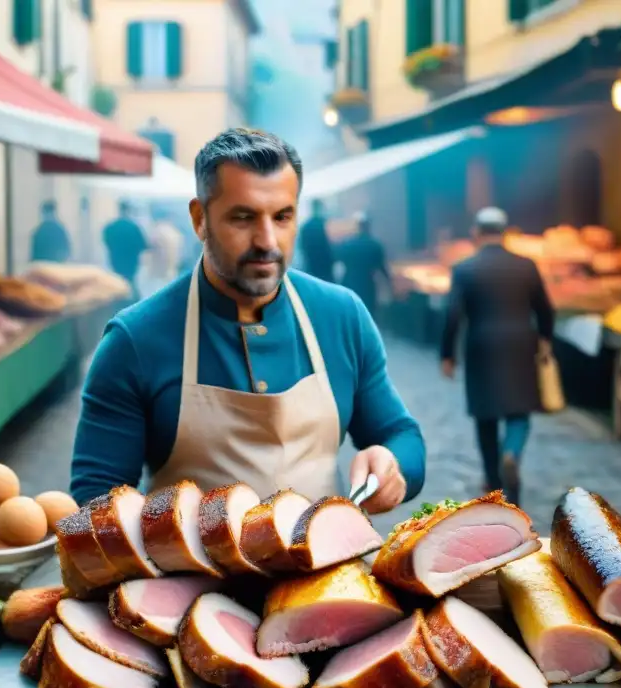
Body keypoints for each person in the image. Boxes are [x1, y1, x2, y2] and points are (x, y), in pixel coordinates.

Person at [71, 128, 425, 514]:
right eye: (243, 218)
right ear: (200, 218)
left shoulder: (341, 315)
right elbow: (96, 498)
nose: (267, 241)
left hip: (329, 571)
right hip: (191, 574)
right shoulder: (135, 339)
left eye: (282, 216)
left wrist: (394, 468)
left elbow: (399, 433)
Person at [439, 207, 554, 507]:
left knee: (485, 416)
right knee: (520, 411)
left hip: (481, 346)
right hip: (520, 345)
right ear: (505, 233)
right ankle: (512, 453)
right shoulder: (526, 266)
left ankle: (493, 479)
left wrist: (447, 354)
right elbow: (545, 308)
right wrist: (545, 339)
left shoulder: (464, 269)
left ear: (476, 233)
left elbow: (452, 315)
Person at [336, 212, 390, 316]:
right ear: (368, 226)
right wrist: (389, 284)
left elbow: (338, 261)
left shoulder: (348, 244)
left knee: (351, 315)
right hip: (367, 286)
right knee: (367, 315)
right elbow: (382, 268)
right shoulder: (374, 245)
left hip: (350, 284)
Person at [103, 201, 149, 300]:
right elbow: (143, 245)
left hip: (115, 259)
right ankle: (131, 303)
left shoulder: (111, 227)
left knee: (117, 281)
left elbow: (106, 241)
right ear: (128, 211)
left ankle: (117, 302)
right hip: (131, 261)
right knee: (130, 282)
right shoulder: (134, 227)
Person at [137, 207, 184, 298]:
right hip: (170, 272)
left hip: (157, 273)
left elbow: (152, 254)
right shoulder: (174, 232)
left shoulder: (156, 233)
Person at [299, 199, 334, 282]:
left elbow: (302, 247)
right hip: (326, 266)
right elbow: (332, 245)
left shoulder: (306, 226)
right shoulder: (326, 224)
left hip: (311, 266)